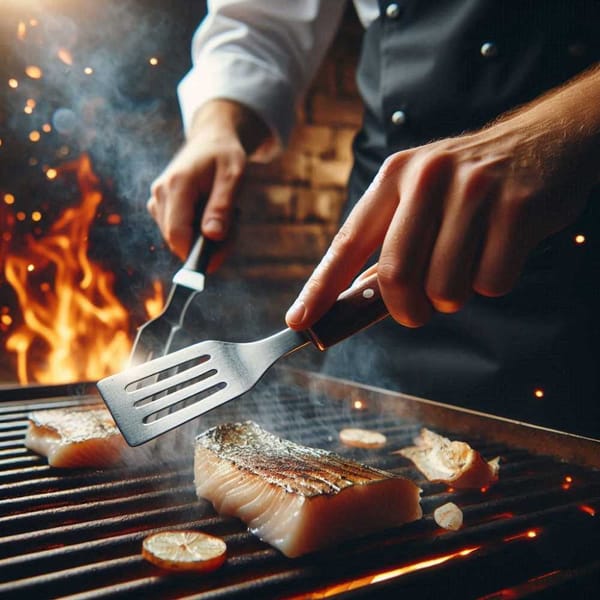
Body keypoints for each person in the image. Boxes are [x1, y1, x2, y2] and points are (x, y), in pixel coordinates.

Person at [147, 1, 600, 437]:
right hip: (378, 252)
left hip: (572, 287)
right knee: (347, 455)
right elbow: (262, 22)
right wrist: (216, 128)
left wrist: (559, 130)